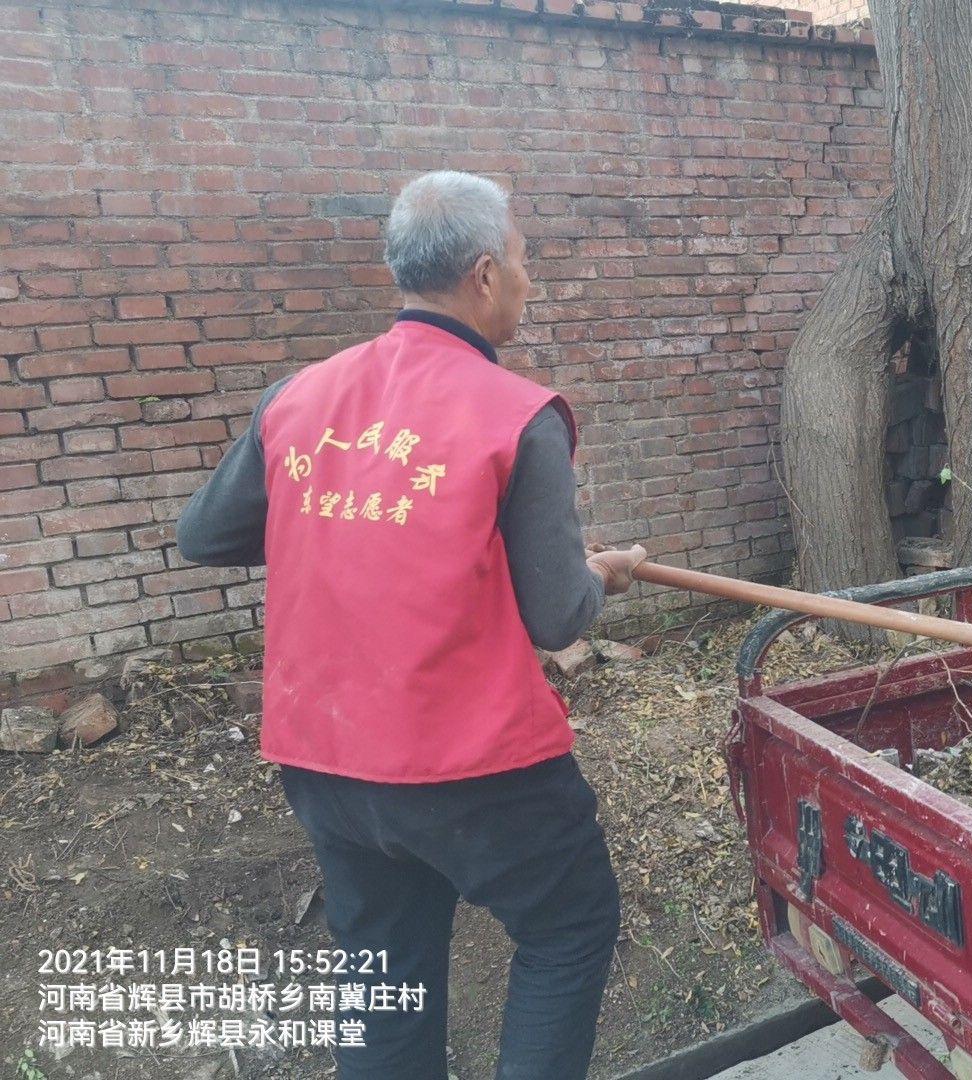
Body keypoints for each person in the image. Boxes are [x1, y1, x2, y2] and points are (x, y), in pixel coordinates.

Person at [177, 171, 648, 1080]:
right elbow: (557, 616)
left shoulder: (300, 397)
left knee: (382, 972)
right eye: (521, 261)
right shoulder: (518, 417)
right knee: (569, 927)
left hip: (327, 766)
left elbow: (205, 534)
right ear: (480, 275)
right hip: (475, 772)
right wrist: (598, 580)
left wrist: (330, 524)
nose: (526, 280)